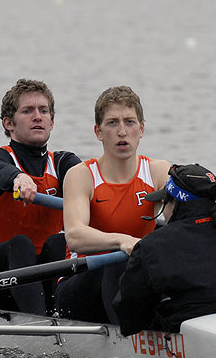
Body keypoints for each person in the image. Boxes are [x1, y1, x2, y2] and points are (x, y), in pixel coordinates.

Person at [111, 163, 216, 335]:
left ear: (176, 203)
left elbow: (130, 320)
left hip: (191, 323)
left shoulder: (152, 246)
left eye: (164, 201)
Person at [54, 85, 172, 322]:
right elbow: (75, 236)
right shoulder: (82, 175)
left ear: (142, 129)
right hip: (79, 284)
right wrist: (122, 241)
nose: (122, 132)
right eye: (112, 123)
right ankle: (130, 343)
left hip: (133, 278)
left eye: (129, 122)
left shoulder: (159, 172)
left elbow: (181, 227)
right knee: (117, 261)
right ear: (98, 132)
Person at [0, 79, 80, 314]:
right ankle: (42, 325)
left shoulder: (63, 163)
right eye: (27, 111)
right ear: (8, 123)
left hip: (41, 282)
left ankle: (68, 314)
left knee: (61, 242)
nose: (37, 116)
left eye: (43, 111)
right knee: (20, 245)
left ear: (52, 121)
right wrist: (17, 177)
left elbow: (93, 183)